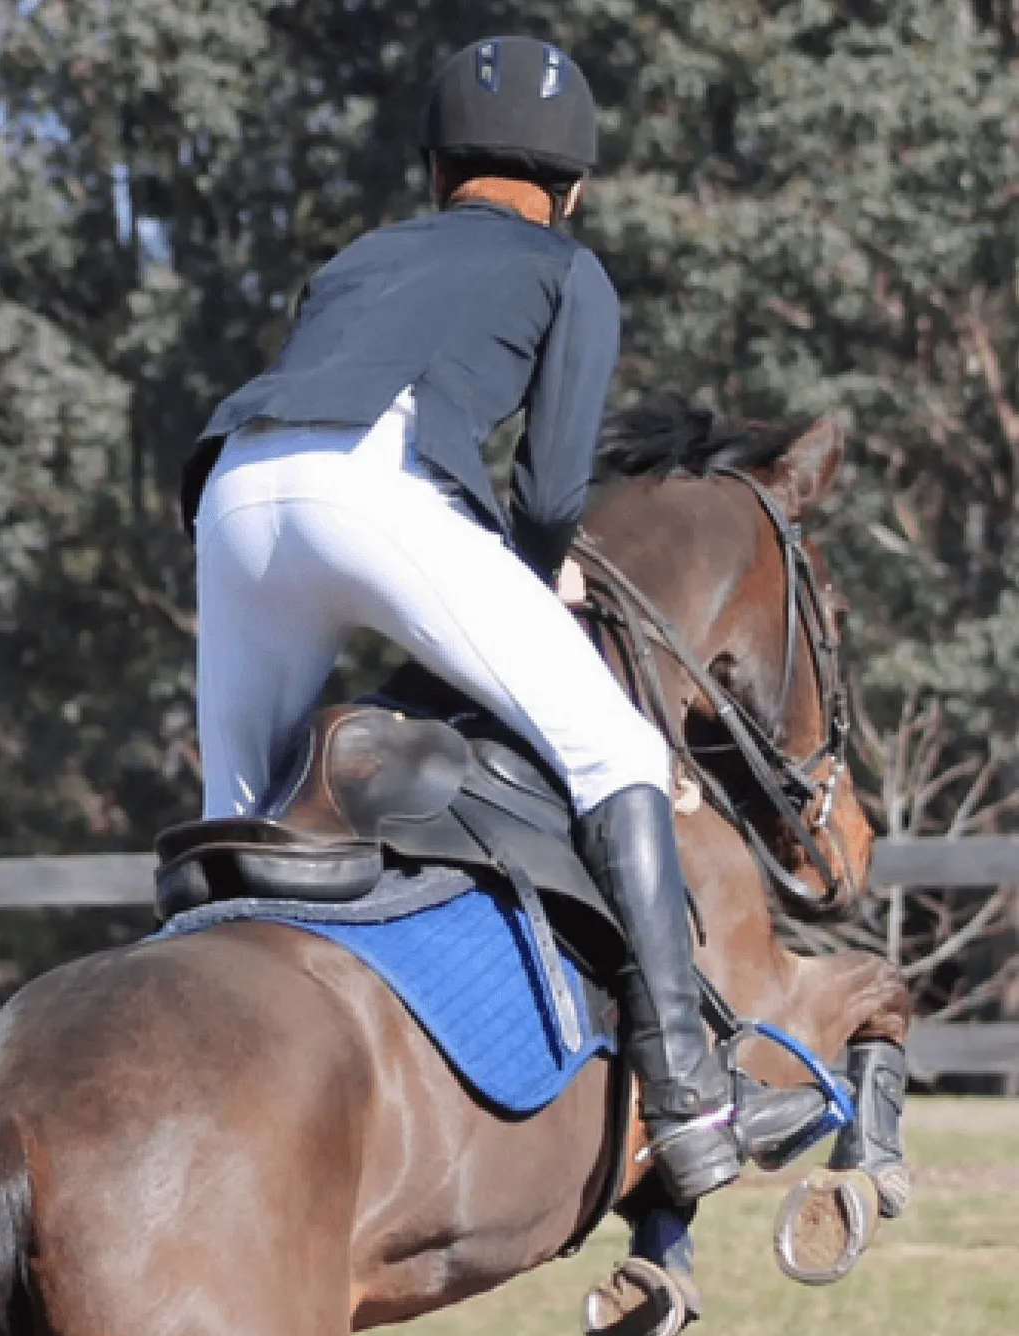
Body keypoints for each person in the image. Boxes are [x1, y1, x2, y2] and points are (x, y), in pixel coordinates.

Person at [179, 35, 797, 1208]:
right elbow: (552, 492)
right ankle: (690, 1094)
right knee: (618, 750)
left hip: (234, 491)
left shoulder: (362, 256)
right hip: (375, 489)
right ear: (572, 191)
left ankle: (178, 1058)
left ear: (433, 171)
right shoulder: (568, 270)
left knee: (238, 821)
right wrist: (539, 573)